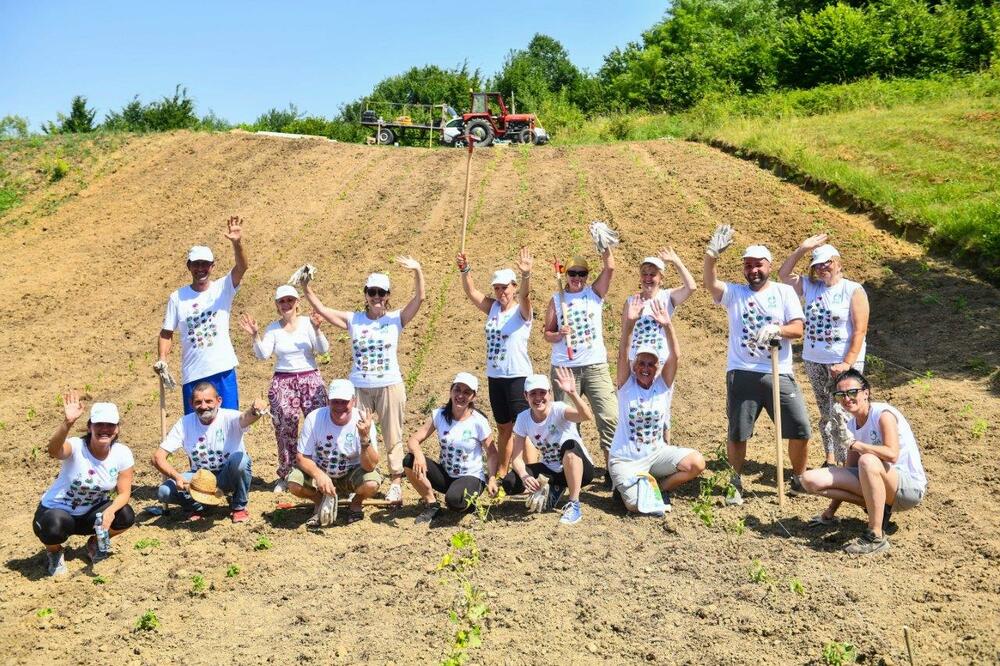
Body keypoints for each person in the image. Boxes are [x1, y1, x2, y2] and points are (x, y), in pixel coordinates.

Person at [702, 224, 811, 505]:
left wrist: (778, 330)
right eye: (748, 266)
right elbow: (710, 283)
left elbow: (798, 328)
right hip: (742, 372)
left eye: (758, 265)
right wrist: (711, 256)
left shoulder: (784, 292)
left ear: (769, 265)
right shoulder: (735, 293)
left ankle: (799, 478)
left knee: (800, 427)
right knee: (738, 432)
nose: (753, 270)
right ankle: (734, 482)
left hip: (778, 372)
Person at [303, 256, 425, 505]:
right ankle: (360, 479)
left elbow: (419, 298)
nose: (376, 297)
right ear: (366, 294)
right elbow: (323, 310)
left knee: (392, 434)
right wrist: (306, 288)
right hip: (359, 386)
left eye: (381, 292)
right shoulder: (354, 319)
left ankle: (395, 482)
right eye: (372, 292)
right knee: (358, 433)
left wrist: (417, 271)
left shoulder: (395, 319)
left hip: (390, 384)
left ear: (388, 295)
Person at [799, 370, 927, 554]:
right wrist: (830, 512)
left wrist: (854, 444)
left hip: (907, 488)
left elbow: (892, 454)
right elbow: (849, 470)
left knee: (867, 460)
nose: (847, 398)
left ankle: (876, 535)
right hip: (880, 484)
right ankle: (879, 508)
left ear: (866, 392)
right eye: (840, 394)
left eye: (852, 392)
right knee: (809, 480)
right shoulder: (851, 425)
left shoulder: (883, 414)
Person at [778, 235, 869, 466]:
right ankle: (830, 459)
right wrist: (802, 249)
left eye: (826, 263)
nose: (821, 268)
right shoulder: (811, 286)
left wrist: (847, 363)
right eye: (817, 265)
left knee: (842, 412)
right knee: (826, 413)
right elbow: (783, 275)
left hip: (843, 362)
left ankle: (847, 463)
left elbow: (860, 330)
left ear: (837, 263)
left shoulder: (852, 289)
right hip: (814, 359)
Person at [608, 298, 705, 513]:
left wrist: (668, 324)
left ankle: (660, 488)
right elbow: (623, 352)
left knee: (696, 463)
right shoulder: (626, 385)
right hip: (625, 459)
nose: (646, 368)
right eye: (641, 363)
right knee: (635, 506)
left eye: (651, 364)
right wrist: (629, 324)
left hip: (655, 455)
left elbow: (676, 355)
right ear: (634, 366)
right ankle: (629, 488)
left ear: (657, 366)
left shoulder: (662, 385)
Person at [239, 285, 330, 492]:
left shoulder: (308, 323)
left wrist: (317, 329)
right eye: (282, 301)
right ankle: (287, 473)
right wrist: (255, 336)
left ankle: (320, 470)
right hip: (283, 380)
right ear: (277, 305)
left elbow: (323, 349)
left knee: (319, 424)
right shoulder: (273, 329)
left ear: (297, 302)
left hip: (310, 378)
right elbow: (263, 354)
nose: (286, 304)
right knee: (284, 428)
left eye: (290, 300)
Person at [33, 393, 135, 576]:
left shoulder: (122, 453)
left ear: (117, 429)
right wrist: (68, 422)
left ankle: (95, 542)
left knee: (125, 514)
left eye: (110, 425)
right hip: (58, 512)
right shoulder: (76, 446)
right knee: (52, 525)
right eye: (99, 424)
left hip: (91, 515)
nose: (105, 429)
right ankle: (55, 552)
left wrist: (110, 511)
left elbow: (124, 493)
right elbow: (54, 451)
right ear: (90, 427)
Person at [156, 216, 248, 414]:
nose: (200, 269)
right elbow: (166, 333)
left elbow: (242, 268)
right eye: (196, 264)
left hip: (223, 369)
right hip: (193, 374)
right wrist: (162, 358)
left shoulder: (222, 288)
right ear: (189, 266)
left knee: (229, 421)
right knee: (196, 425)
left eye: (205, 264)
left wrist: (237, 243)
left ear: (212, 266)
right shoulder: (177, 297)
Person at [544, 246, 618, 486]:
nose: (577, 278)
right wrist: (558, 334)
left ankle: (613, 471)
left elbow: (610, 267)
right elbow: (547, 333)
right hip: (565, 368)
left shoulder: (593, 293)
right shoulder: (557, 300)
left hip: (595, 366)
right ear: (565, 274)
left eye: (582, 273)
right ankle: (575, 472)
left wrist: (604, 246)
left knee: (609, 416)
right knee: (568, 422)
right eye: (572, 273)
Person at [456, 248, 533, 472]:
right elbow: (471, 291)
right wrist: (465, 269)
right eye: (497, 288)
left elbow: (525, 296)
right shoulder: (493, 308)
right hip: (495, 377)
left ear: (513, 287)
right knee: (503, 427)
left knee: (523, 429)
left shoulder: (522, 310)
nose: (501, 292)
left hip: (517, 377)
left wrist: (526, 275)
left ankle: (533, 474)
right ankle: (501, 472)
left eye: (505, 287)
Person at [152, 382, 268, 523]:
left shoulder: (230, 417)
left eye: (208, 401)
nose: (204, 406)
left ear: (219, 401)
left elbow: (246, 417)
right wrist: (176, 477)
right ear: (191, 403)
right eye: (198, 402)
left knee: (241, 461)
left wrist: (255, 411)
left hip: (228, 476)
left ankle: (239, 505)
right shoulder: (184, 423)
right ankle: (199, 505)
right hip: (201, 479)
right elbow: (157, 457)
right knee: (164, 492)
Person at [500, 368, 595, 525]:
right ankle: (555, 487)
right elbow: (516, 458)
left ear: (549, 393)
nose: (538, 398)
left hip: (581, 469)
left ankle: (574, 504)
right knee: (510, 483)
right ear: (525, 396)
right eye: (533, 393)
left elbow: (586, 416)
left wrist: (572, 393)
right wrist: (524, 476)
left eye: (542, 393)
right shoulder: (523, 419)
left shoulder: (559, 409)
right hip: (551, 469)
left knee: (569, 445)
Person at [403, 372, 497, 525]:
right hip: (446, 474)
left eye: (466, 392)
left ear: (473, 396)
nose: (460, 395)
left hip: (471, 476)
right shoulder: (439, 415)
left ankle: (464, 501)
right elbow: (413, 439)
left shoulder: (478, 421)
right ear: (451, 391)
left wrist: (492, 478)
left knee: (454, 501)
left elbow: (492, 453)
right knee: (409, 460)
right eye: (457, 390)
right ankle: (432, 504)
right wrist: (418, 454)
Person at [287, 379, 382, 527]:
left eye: (344, 402)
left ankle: (356, 502)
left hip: (351, 474)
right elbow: (302, 457)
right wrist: (319, 475)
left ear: (353, 401)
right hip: (321, 472)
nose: (339, 406)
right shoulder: (314, 418)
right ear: (328, 401)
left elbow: (370, 466)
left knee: (371, 483)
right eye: (335, 401)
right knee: (294, 483)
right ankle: (320, 500)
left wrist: (364, 439)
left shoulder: (363, 421)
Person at [623, 248, 697, 363]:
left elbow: (691, 287)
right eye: (644, 274)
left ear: (661, 278)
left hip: (660, 362)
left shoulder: (667, 297)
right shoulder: (631, 301)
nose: (648, 278)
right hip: (636, 363)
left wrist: (676, 261)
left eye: (652, 274)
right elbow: (624, 335)